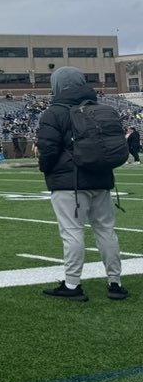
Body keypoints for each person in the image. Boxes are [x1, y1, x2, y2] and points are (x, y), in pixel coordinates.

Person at [37, 66, 127, 301]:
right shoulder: (101, 109)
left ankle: (72, 284)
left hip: (69, 183)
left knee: (72, 232)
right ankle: (115, 282)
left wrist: (46, 170)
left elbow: (48, 149)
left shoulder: (54, 112)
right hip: (101, 178)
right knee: (106, 230)